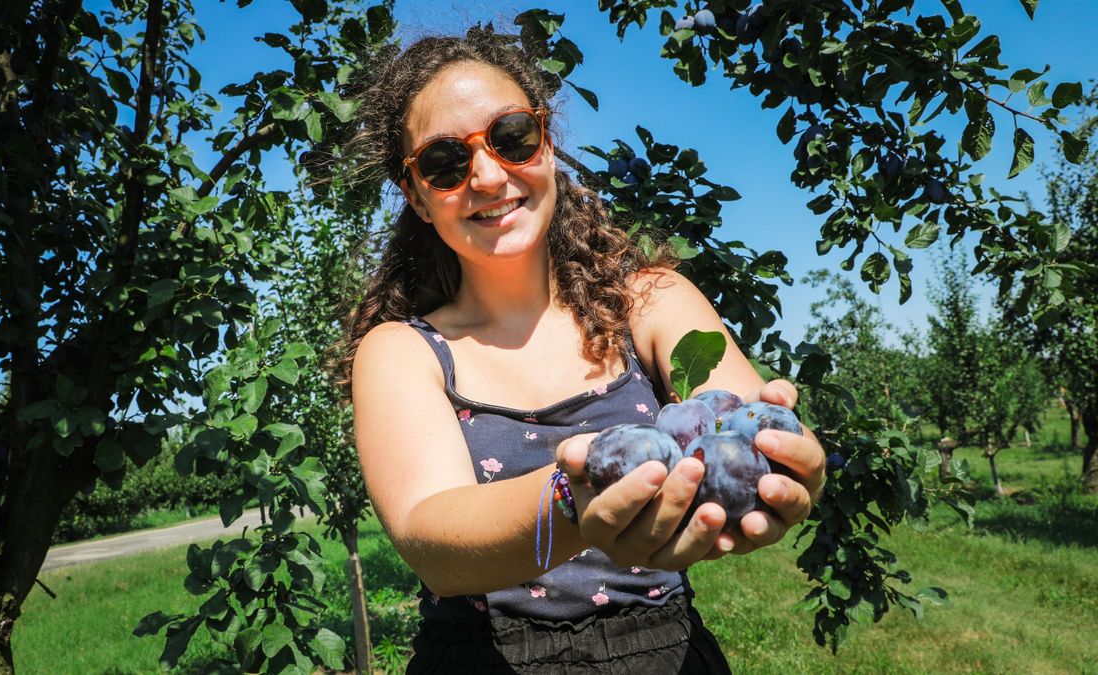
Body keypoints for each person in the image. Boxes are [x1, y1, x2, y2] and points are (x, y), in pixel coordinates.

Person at [339, 29, 826, 674]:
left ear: (546, 145)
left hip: (666, 657)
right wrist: (579, 500)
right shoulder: (403, 351)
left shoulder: (651, 303)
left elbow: (738, 422)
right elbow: (435, 545)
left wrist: (784, 464)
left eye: (511, 137)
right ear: (418, 199)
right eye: (444, 163)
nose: (486, 176)